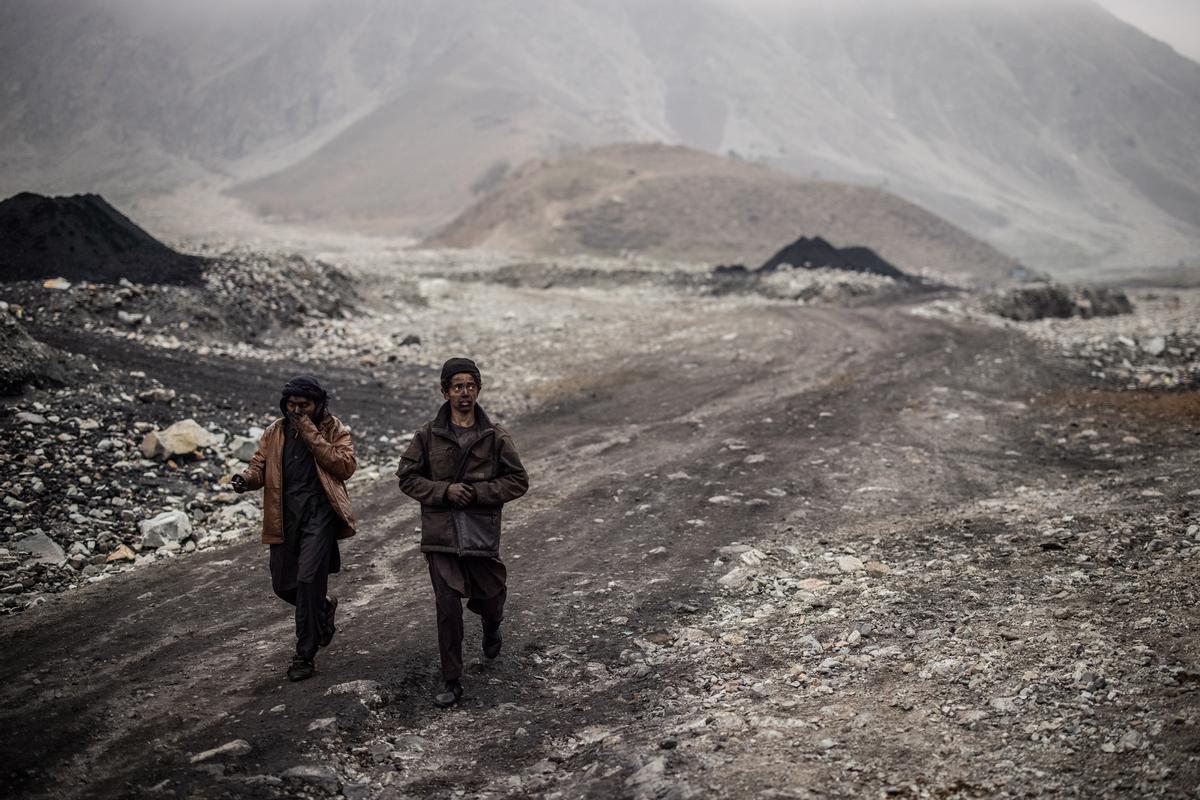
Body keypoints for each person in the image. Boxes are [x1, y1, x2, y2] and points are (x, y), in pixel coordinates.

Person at [396, 358, 529, 706]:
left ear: (478, 390)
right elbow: (407, 477)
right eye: (457, 386)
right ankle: (452, 680)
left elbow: (518, 481)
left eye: (470, 385)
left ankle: (491, 623)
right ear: (445, 392)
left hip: (480, 536)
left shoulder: (495, 435)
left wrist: (478, 493)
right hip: (440, 536)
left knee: (489, 595)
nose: (464, 392)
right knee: (447, 607)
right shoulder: (427, 435)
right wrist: (443, 492)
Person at [231, 375, 357, 681]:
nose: (297, 410)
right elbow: (260, 464)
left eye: (304, 405)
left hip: (320, 514)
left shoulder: (334, 429)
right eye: (292, 405)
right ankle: (322, 609)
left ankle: (304, 654)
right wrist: (246, 479)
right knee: (283, 584)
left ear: (318, 404)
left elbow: (345, 466)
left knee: (307, 579)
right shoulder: (276, 430)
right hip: (285, 515)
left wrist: (311, 433)